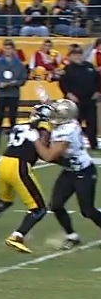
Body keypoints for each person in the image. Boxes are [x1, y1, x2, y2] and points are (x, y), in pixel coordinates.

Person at [0, 104, 53, 253]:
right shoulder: (43, 127)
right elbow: (44, 149)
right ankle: (17, 236)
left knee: (4, 200)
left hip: (4, 162)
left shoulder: (20, 125)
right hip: (19, 165)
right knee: (39, 208)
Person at [33, 99, 101, 250]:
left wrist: (34, 140)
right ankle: (72, 236)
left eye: (56, 113)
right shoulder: (66, 124)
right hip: (70, 171)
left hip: (84, 172)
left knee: (87, 211)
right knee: (56, 205)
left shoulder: (67, 130)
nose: (53, 115)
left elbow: (49, 156)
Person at [59, 47, 101, 150]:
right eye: (75, 55)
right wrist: (68, 94)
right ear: (71, 57)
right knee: (74, 124)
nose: (78, 57)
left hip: (89, 100)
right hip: (75, 101)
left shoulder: (90, 66)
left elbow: (98, 80)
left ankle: (93, 145)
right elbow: (63, 83)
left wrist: (97, 92)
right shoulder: (68, 69)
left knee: (92, 123)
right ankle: (74, 144)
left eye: (79, 54)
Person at [0, 39, 28, 147]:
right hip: (1, 94)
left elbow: (23, 79)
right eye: (5, 48)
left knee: (12, 118)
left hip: (13, 94)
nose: (7, 51)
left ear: (13, 50)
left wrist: (16, 82)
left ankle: (13, 141)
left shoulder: (19, 64)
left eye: (9, 48)